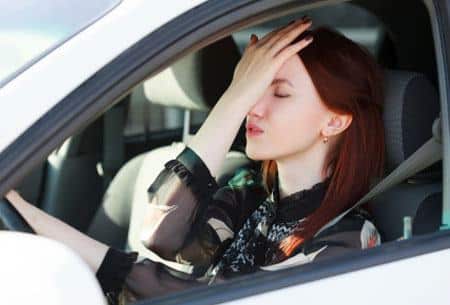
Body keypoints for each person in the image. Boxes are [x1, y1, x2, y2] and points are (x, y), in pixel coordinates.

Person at [4, 16, 385, 305]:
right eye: (253, 89)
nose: (255, 105)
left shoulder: (348, 241)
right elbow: (163, 236)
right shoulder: (251, 193)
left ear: (334, 121)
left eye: (280, 94)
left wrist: (235, 99)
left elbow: (212, 296)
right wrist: (22, 212)